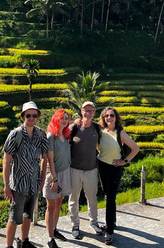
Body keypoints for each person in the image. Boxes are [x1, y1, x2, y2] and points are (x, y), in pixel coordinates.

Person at [2, 101, 48, 248]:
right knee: (14, 217)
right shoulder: (15, 135)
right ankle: (9, 246)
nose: (31, 118)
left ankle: (25, 241)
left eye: (34, 115)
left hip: (34, 182)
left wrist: (42, 179)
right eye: (28, 115)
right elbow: (6, 160)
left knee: (28, 214)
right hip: (18, 184)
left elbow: (44, 158)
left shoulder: (41, 134)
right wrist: (6, 185)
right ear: (23, 116)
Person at [97, 106, 140, 245]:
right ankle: (112, 222)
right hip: (101, 166)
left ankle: (109, 232)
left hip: (114, 168)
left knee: (110, 199)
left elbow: (136, 148)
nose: (109, 118)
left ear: (116, 118)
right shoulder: (101, 130)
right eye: (106, 116)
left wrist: (124, 161)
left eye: (111, 115)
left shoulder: (120, 132)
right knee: (107, 196)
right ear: (103, 118)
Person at [68, 101, 104, 239]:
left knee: (92, 198)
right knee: (73, 199)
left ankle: (94, 223)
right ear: (81, 111)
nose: (88, 113)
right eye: (85, 110)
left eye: (90, 111)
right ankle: (75, 225)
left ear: (94, 113)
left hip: (91, 170)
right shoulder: (74, 127)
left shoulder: (97, 128)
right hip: (74, 169)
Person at [43, 110, 72, 248]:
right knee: (51, 207)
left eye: (66, 118)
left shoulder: (65, 135)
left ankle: (54, 230)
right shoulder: (51, 136)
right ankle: (50, 238)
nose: (65, 120)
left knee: (59, 203)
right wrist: (54, 179)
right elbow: (50, 161)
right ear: (56, 119)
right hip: (54, 175)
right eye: (62, 118)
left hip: (65, 172)